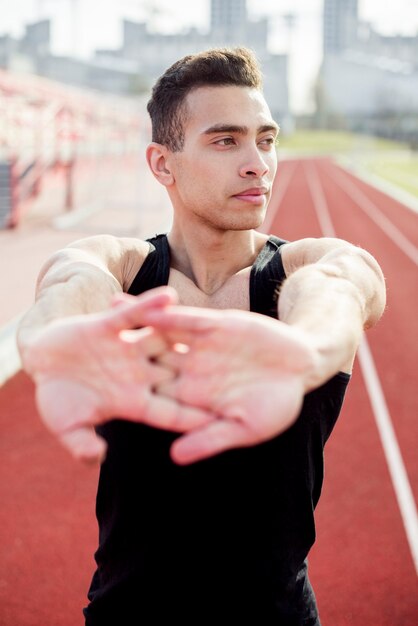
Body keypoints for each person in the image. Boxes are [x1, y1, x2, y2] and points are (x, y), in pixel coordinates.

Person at [17, 48, 385, 625]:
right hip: (125, 614)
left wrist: (308, 350)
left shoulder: (306, 270)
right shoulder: (122, 269)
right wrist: (47, 340)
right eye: (225, 141)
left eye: (266, 139)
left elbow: (343, 285)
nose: (258, 164)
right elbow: (70, 277)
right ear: (163, 164)